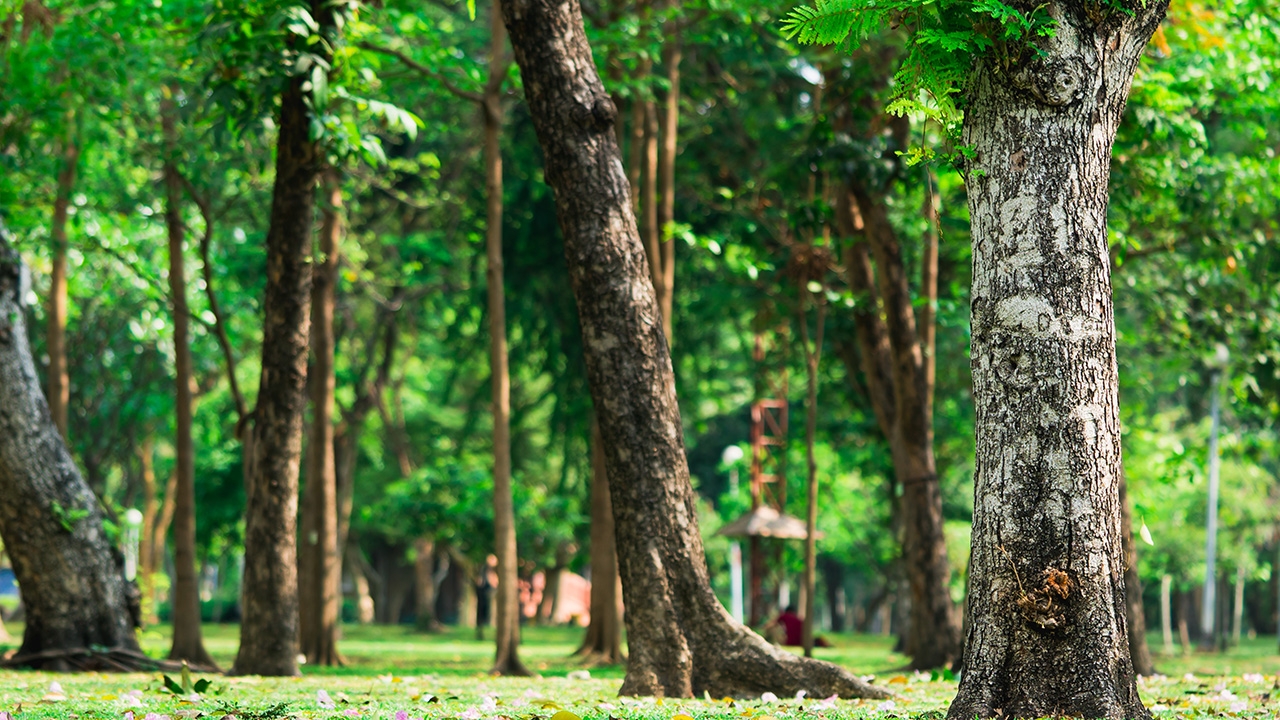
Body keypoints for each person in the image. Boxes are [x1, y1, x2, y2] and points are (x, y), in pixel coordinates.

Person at [767, 606, 832, 648]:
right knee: (818, 640)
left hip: (791, 642)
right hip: (803, 641)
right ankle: (828, 645)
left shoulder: (784, 616)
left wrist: (764, 629)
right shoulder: (798, 620)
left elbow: (772, 624)